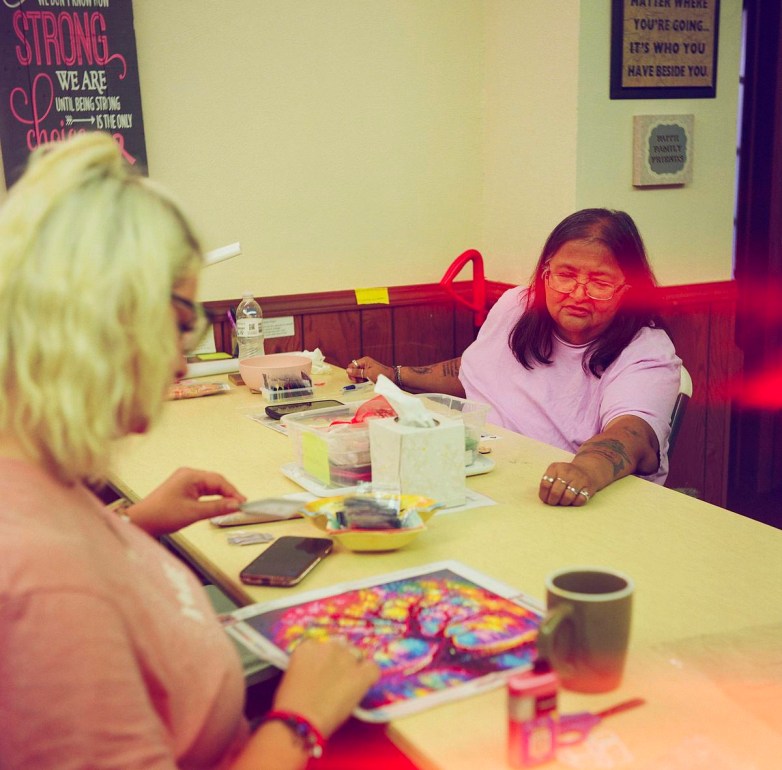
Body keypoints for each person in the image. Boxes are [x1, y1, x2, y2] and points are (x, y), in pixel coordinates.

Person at [0, 132, 379, 770]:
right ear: (97, 317)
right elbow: (53, 588)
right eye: (181, 324)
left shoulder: (38, 474)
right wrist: (300, 721)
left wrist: (136, 522)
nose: (181, 359)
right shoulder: (42, 588)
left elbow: (71, 556)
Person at [348, 209, 681, 508]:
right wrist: (395, 375)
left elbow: (632, 435)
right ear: (546, 273)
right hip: (489, 473)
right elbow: (473, 373)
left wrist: (582, 471)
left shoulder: (646, 349)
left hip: (575, 499)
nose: (578, 294)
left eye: (600, 282)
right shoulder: (517, 306)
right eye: (566, 275)